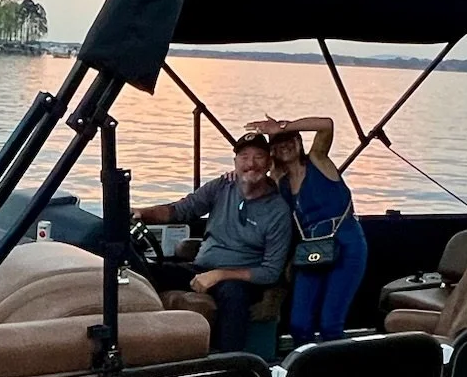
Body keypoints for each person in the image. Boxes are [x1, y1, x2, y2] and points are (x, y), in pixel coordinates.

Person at [136, 131, 294, 353]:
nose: (251, 164)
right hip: (200, 268)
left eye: (258, 157)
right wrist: (140, 213)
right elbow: (181, 210)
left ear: (268, 163)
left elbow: (270, 272)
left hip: (241, 280)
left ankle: (231, 366)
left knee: (234, 297)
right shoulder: (222, 186)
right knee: (142, 273)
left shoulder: (278, 211)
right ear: (235, 162)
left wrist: (220, 275)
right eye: (244, 156)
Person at [261, 115, 369, 343]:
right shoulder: (279, 179)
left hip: (346, 242)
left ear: (300, 142)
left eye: (290, 139)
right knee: (298, 324)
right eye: (278, 143)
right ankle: (308, 371)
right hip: (310, 249)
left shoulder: (319, 161)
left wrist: (284, 126)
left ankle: (339, 372)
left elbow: (327, 124)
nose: (285, 145)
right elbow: (253, 172)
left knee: (331, 324)